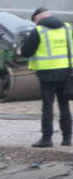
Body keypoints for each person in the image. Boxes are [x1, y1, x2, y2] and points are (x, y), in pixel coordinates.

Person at [20, 8, 73, 147]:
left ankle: (47, 138)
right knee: (64, 106)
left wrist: (19, 50)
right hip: (66, 72)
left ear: (37, 18)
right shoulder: (67, 28)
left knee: (47, 106)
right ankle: (67, 139)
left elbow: (26, 52)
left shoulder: (38, 31)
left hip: (47, 74)